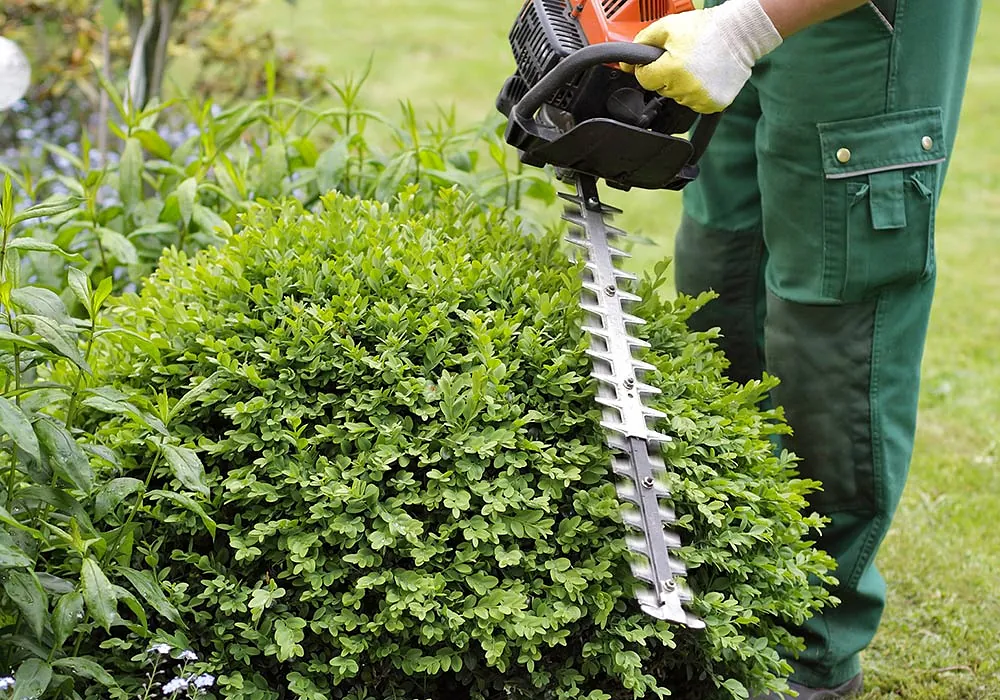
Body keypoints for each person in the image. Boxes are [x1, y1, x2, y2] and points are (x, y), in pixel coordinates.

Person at [621, 0, 982, 698]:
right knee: (718, 265)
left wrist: (750, 25)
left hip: (868, 20)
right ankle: (728, 589)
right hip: (732, 11)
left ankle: (809, 650)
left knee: (831, 321)